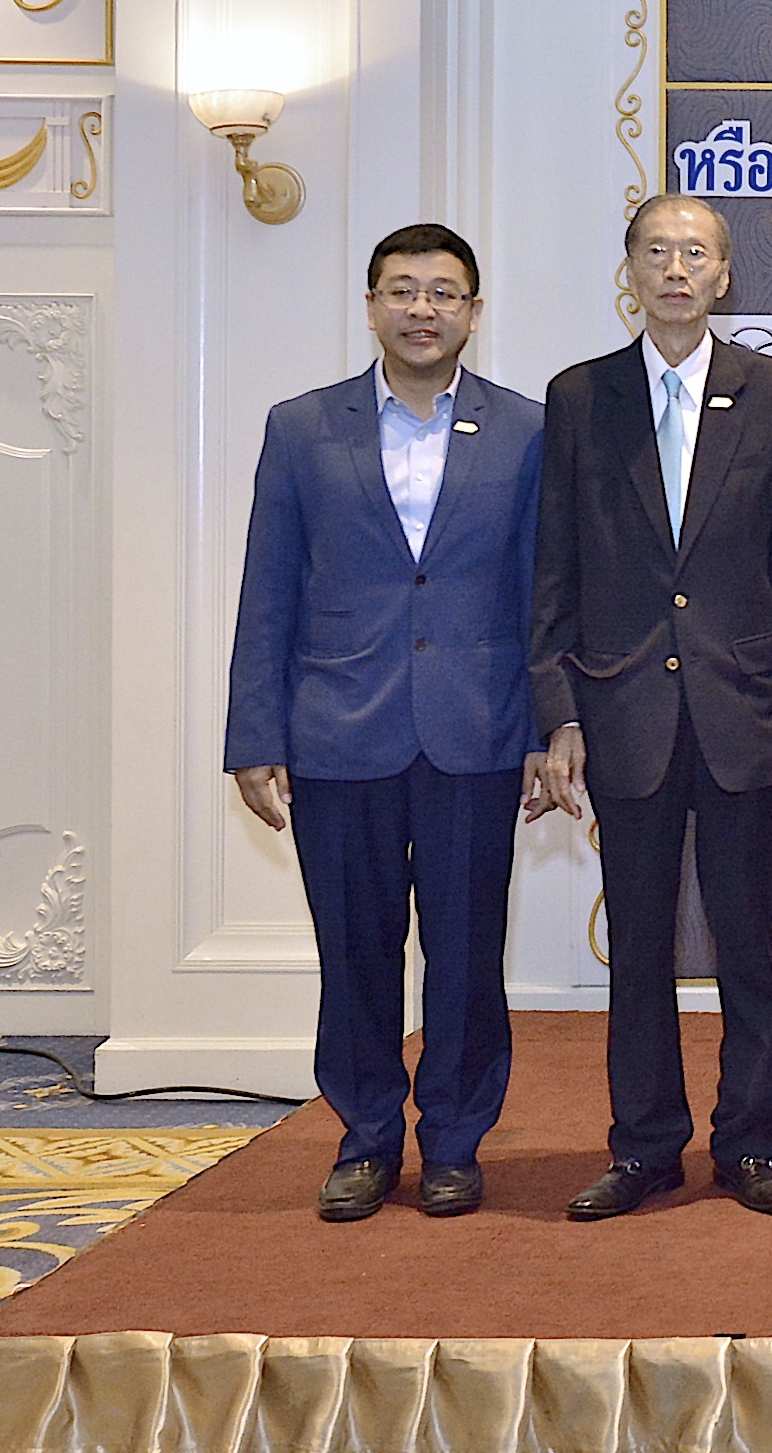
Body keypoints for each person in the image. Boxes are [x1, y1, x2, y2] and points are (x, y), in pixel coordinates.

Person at [224, 223, 545, 1222]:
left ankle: (453, 1141)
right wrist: (253, 735)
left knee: (465, 957)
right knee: (355, 953)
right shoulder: (301, 427)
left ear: (474, 312)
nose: (422, 309)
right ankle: (365, 1138)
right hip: (337, 732)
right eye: (402, 290)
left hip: (476, 731)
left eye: (443, 292)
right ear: (370, 306)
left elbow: (543, 595)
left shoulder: (528, 430)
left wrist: (547, 732)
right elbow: (268, 585)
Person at [530, 192, 772, 1221]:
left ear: (725, 275)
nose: (677, 270)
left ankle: (749, 1142)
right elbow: (553, 567)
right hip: (623, 714)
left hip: (743, 711)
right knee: (639, 950)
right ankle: (645, 1146)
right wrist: (559, 712)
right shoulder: (580, 397)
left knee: (747, 950)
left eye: (696, 253)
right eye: (657, 251)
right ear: (631, 272)